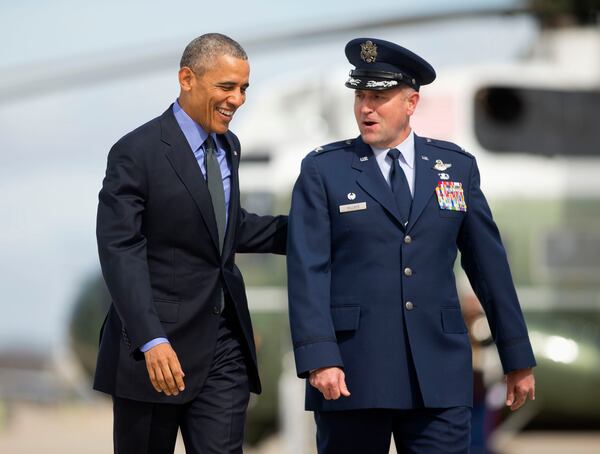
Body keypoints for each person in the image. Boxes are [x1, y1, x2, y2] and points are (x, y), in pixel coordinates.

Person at [287, 37, 536, 454]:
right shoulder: (323, 171)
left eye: (379, 96)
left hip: (438, 377)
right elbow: (307, 270)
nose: (366, 107)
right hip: (351, 375)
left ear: (411, 102)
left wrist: (517, 356)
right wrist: (319, 357)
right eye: (361, 95)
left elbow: (489, 267)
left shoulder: (455, 168)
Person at [94, 33, 287, 454]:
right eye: (227, 87)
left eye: (244, 89)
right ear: (187, 78)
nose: (237, 99)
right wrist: (151, 339)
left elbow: (226, 228)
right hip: (154, 351)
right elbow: (119, 249)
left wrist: (315, 231)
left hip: (223, 345)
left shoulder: (228, 146)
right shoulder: (135, 152)